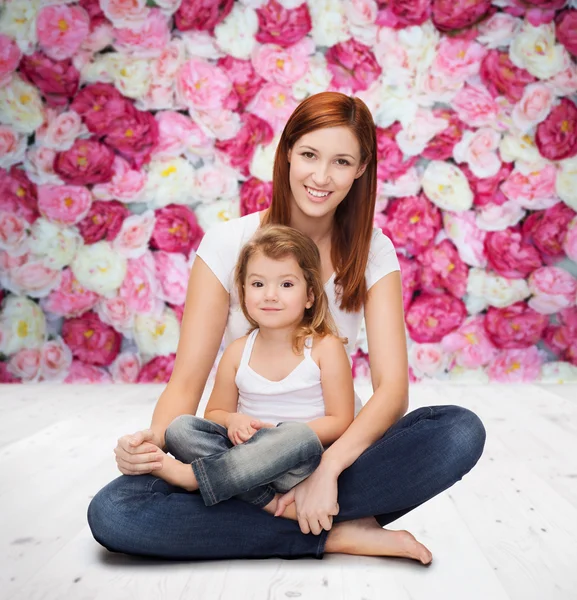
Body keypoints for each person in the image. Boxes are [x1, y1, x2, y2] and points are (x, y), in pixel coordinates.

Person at [88, 91, 485, 565]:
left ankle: (290, 514)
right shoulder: (226, 243)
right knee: (115, 512)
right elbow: (188, 384)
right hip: (236, 455)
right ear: (287, 154)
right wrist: (152, 445)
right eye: (310, 155)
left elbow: (392, 391)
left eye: (341, 161)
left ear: (361, 169)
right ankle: (330, 533)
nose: (321, 177)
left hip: (331, 452)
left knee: (458, 431)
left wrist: (329, 471)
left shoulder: (374, 252)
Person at [155, 224, 355, 517]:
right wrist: (234, 419)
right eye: (258, 284)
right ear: (244, 291)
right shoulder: (238, 351)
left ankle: (194, 478)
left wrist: (276, 436)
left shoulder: (326, 348)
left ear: (310, 295)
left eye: (286, 285)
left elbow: (340, 421)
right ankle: (265, 501)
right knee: (181, 429)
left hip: (297, 465)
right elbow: (215, 413)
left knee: (298, 435)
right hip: (245, 459)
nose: (270, 295)